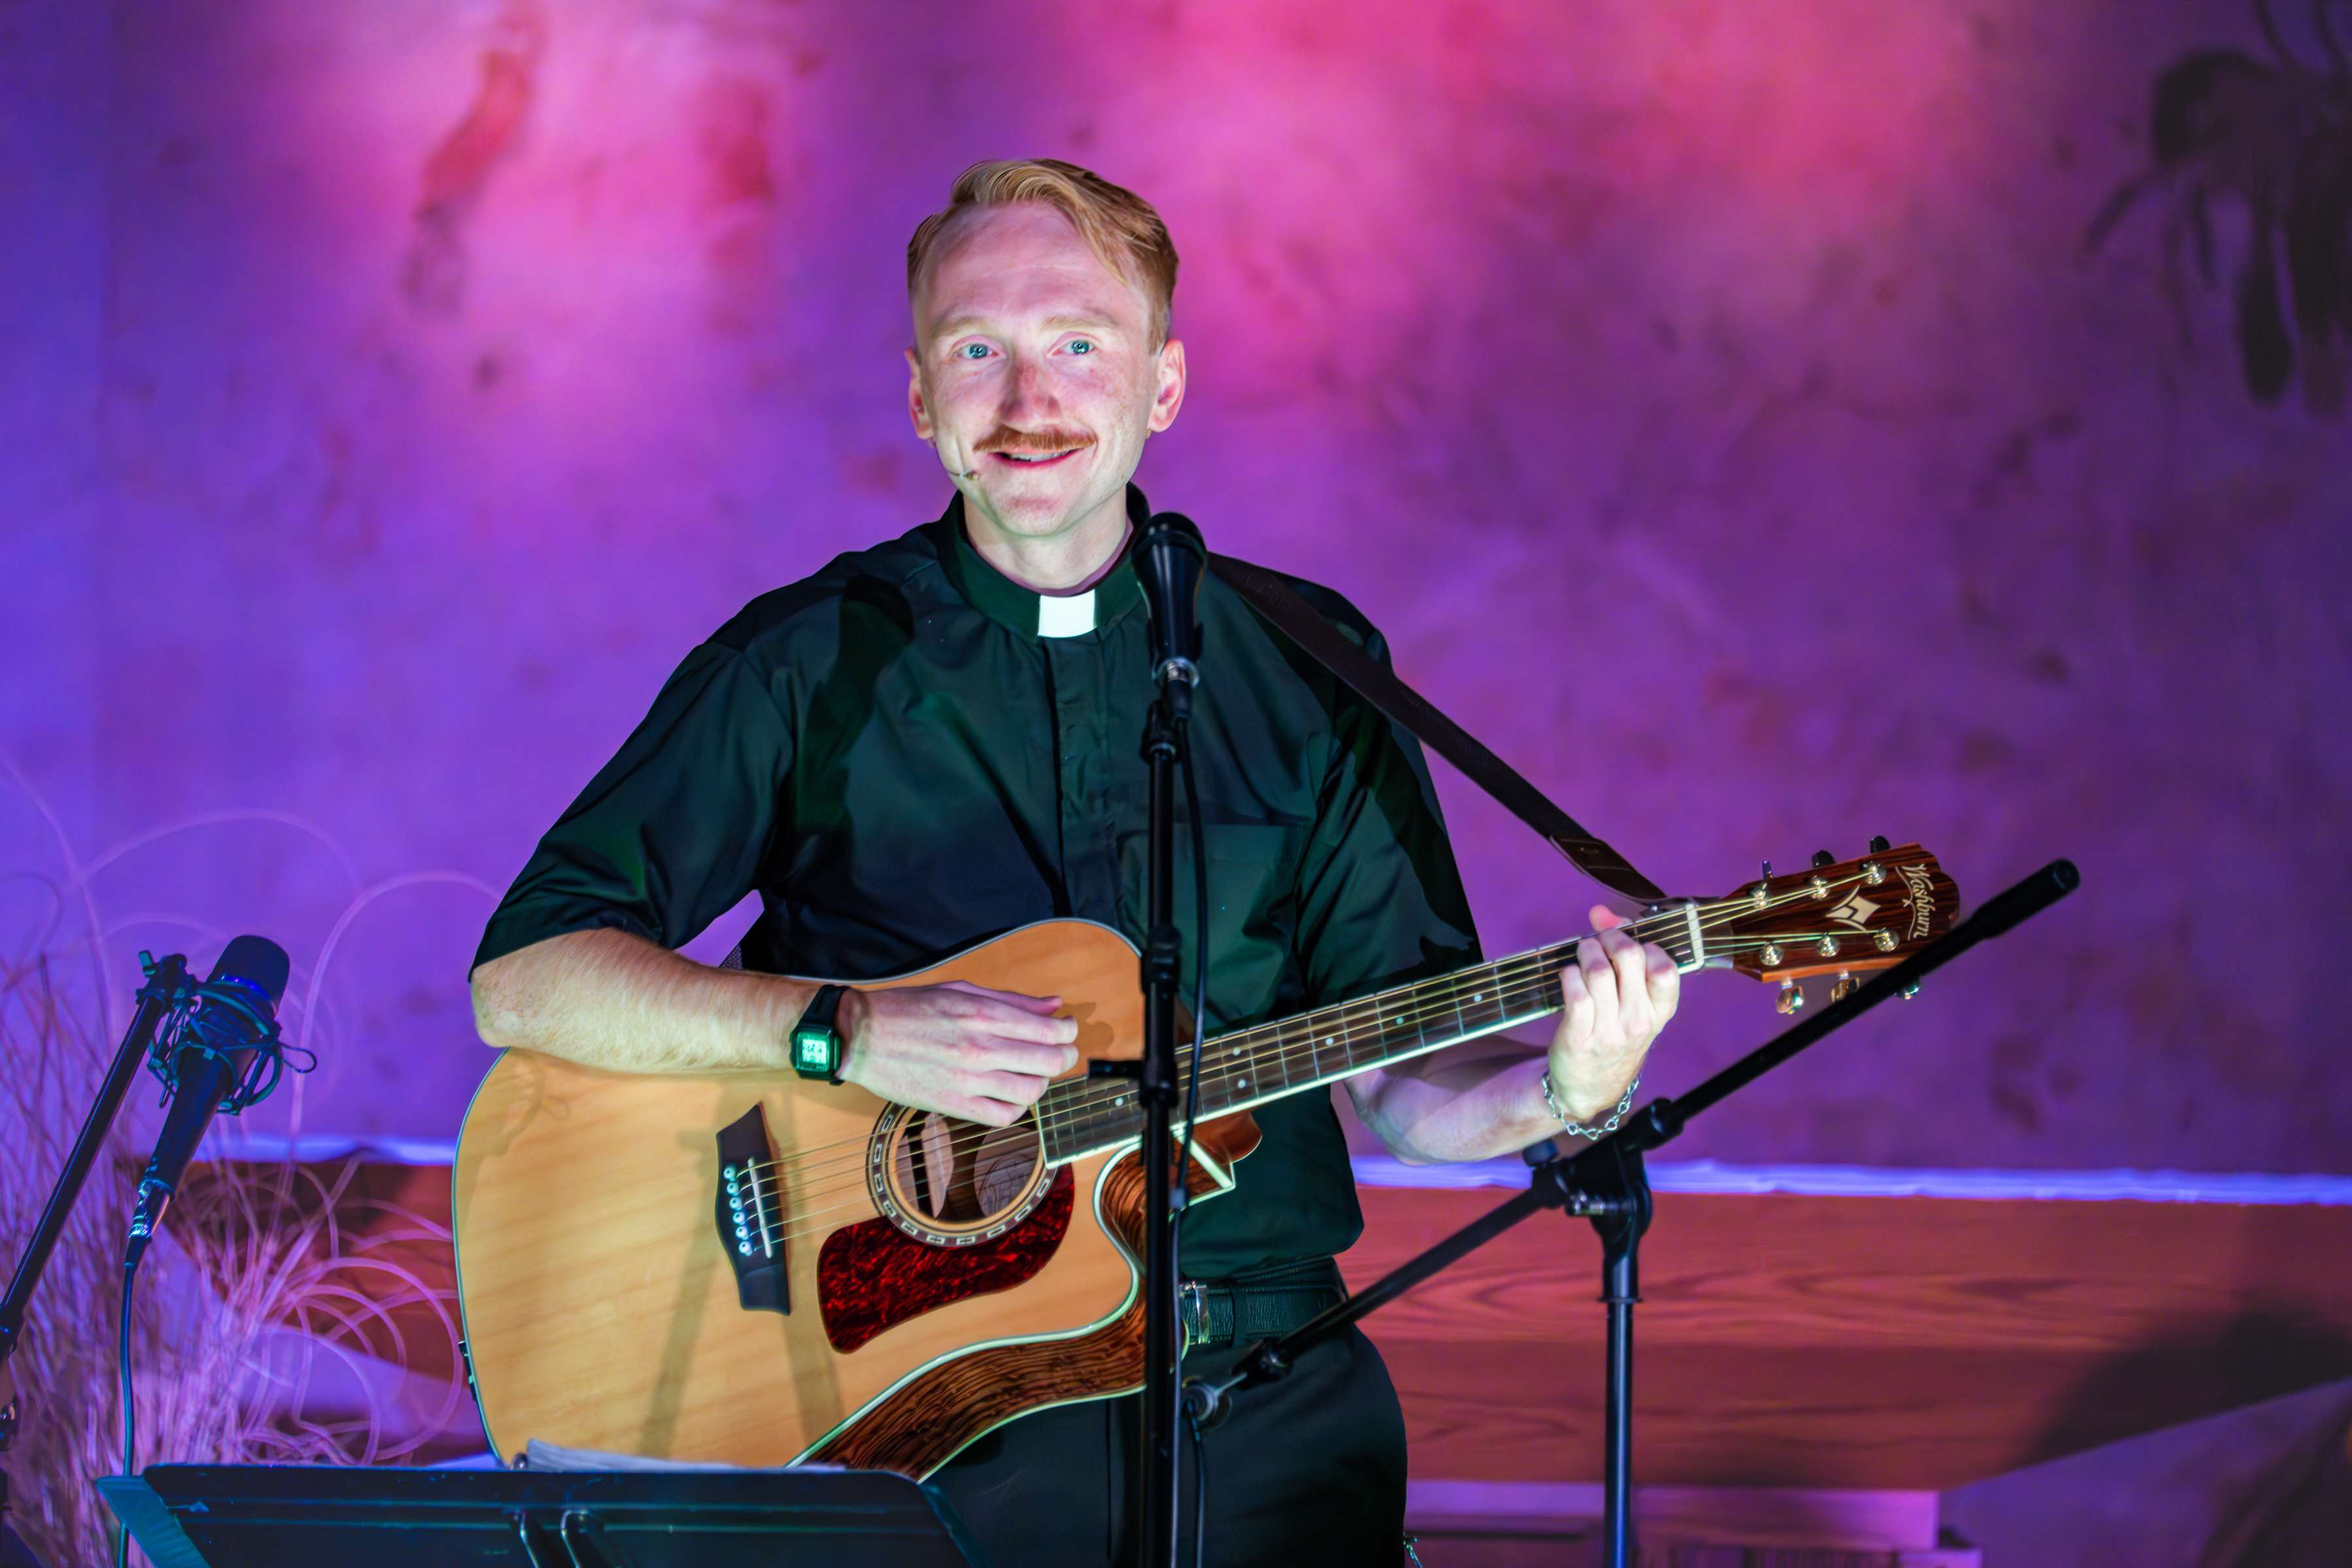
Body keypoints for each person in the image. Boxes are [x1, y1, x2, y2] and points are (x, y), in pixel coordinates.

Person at [467, 157, 1679, 1566]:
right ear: (922, 397)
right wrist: (835, 1033)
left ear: (1162, 385)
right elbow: (529, 979)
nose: (1029, 402)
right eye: (978, 350)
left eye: (1079, 346)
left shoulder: (1314, 669)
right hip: (923, 1413)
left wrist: (1564, 1089)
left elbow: (1404, 1092)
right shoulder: (807, 659)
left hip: (1270, 1396)